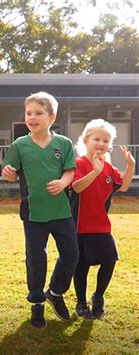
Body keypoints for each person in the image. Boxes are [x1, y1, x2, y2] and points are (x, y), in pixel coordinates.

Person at [2, 91, 79, 328]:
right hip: (33, 213)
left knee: (71, 254)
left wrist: (63, 182)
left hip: (61, 211)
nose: (32, 117)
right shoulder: (20, 145)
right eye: (28, 113)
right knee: (36, 259)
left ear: (51, 117)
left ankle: (55, 292)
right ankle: (36, 303)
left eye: (38, 113)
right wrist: (9, 174)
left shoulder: (63, 144)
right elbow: (10, 171)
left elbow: (70, 170)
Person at [70, 119, 135, 319]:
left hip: (101, 227)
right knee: (81, 266)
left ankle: (98, 296)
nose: (101, 143)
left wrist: (130, 165)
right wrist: (95, 171)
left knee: (110, 259)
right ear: (85, 140)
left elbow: (123, 185)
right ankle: (81, 303)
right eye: (97, 139)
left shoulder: (109, 168)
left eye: (106, 140)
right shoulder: (78, 163)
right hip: (79, 227)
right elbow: (77, 187)